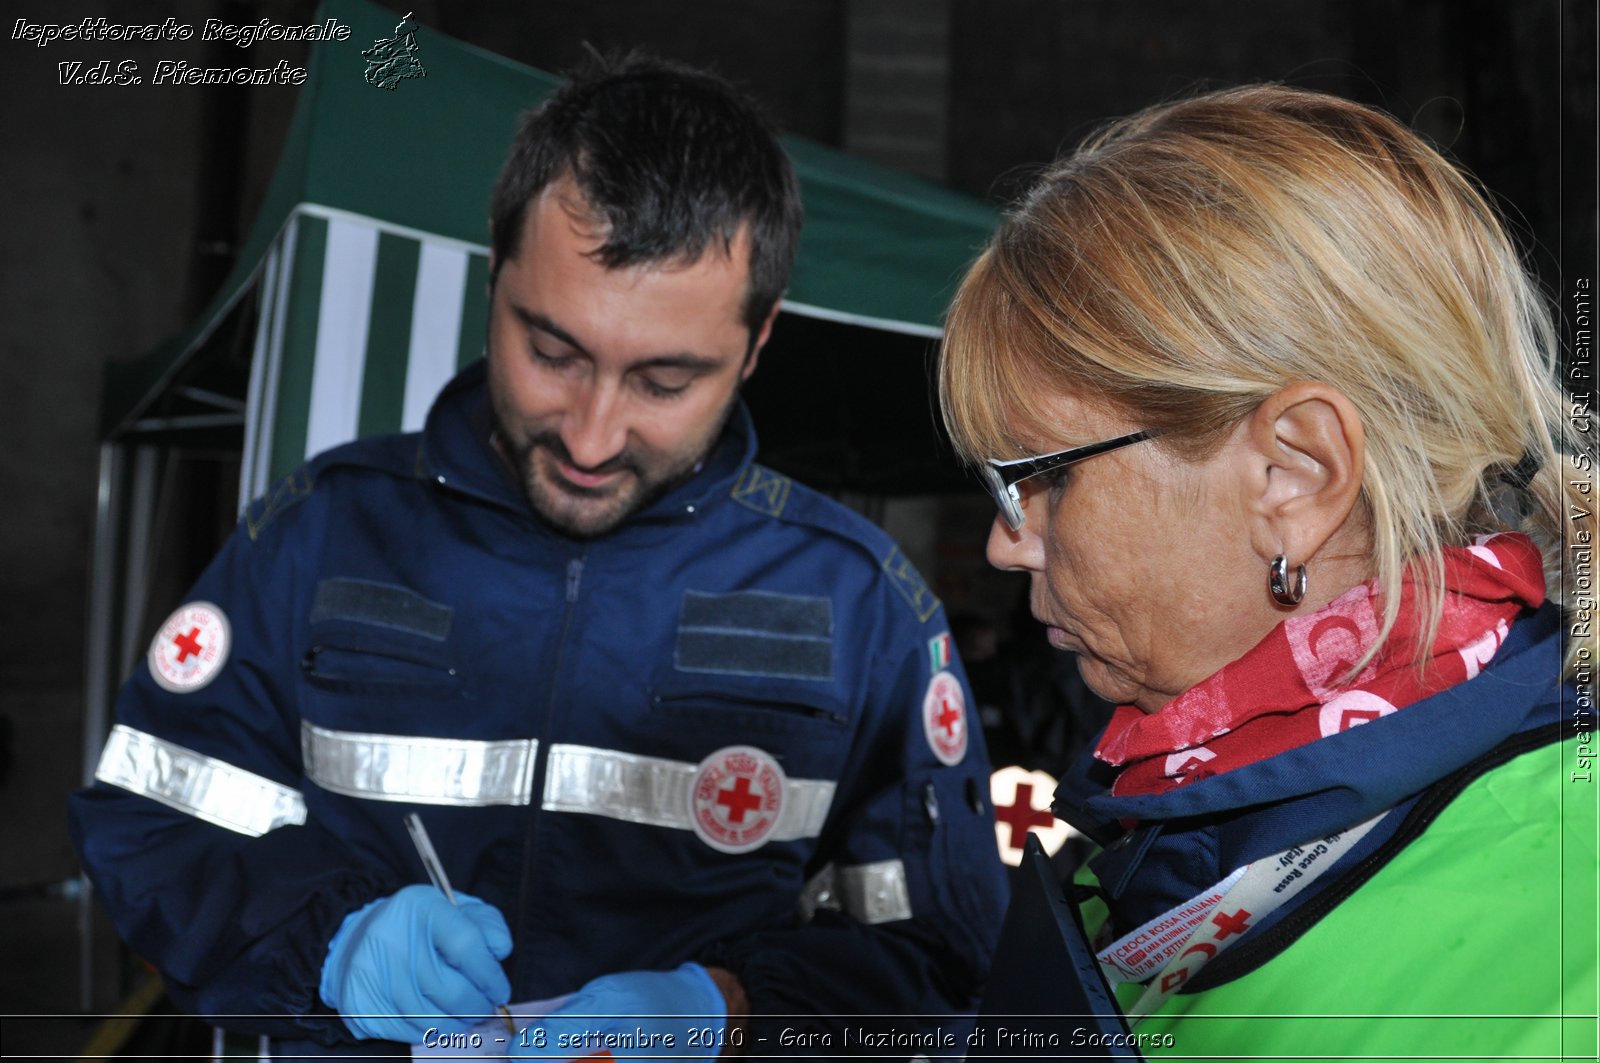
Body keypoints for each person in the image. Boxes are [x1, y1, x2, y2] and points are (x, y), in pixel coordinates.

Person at [71, 55, 1006, 1060]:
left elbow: (944, 956)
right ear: (494, 271)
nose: (593, 437)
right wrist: (329, 940)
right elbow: (149, 820)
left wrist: (733, 1010)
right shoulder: (318, 533)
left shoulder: (860, 604)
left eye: (664, 380)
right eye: (552, 352)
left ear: (757, 342)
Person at [938, 84, 1595, 1060]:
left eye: (1043, 477)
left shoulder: (1563, 903)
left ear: (1295, 472)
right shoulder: (1182, 800)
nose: (1006, 542)